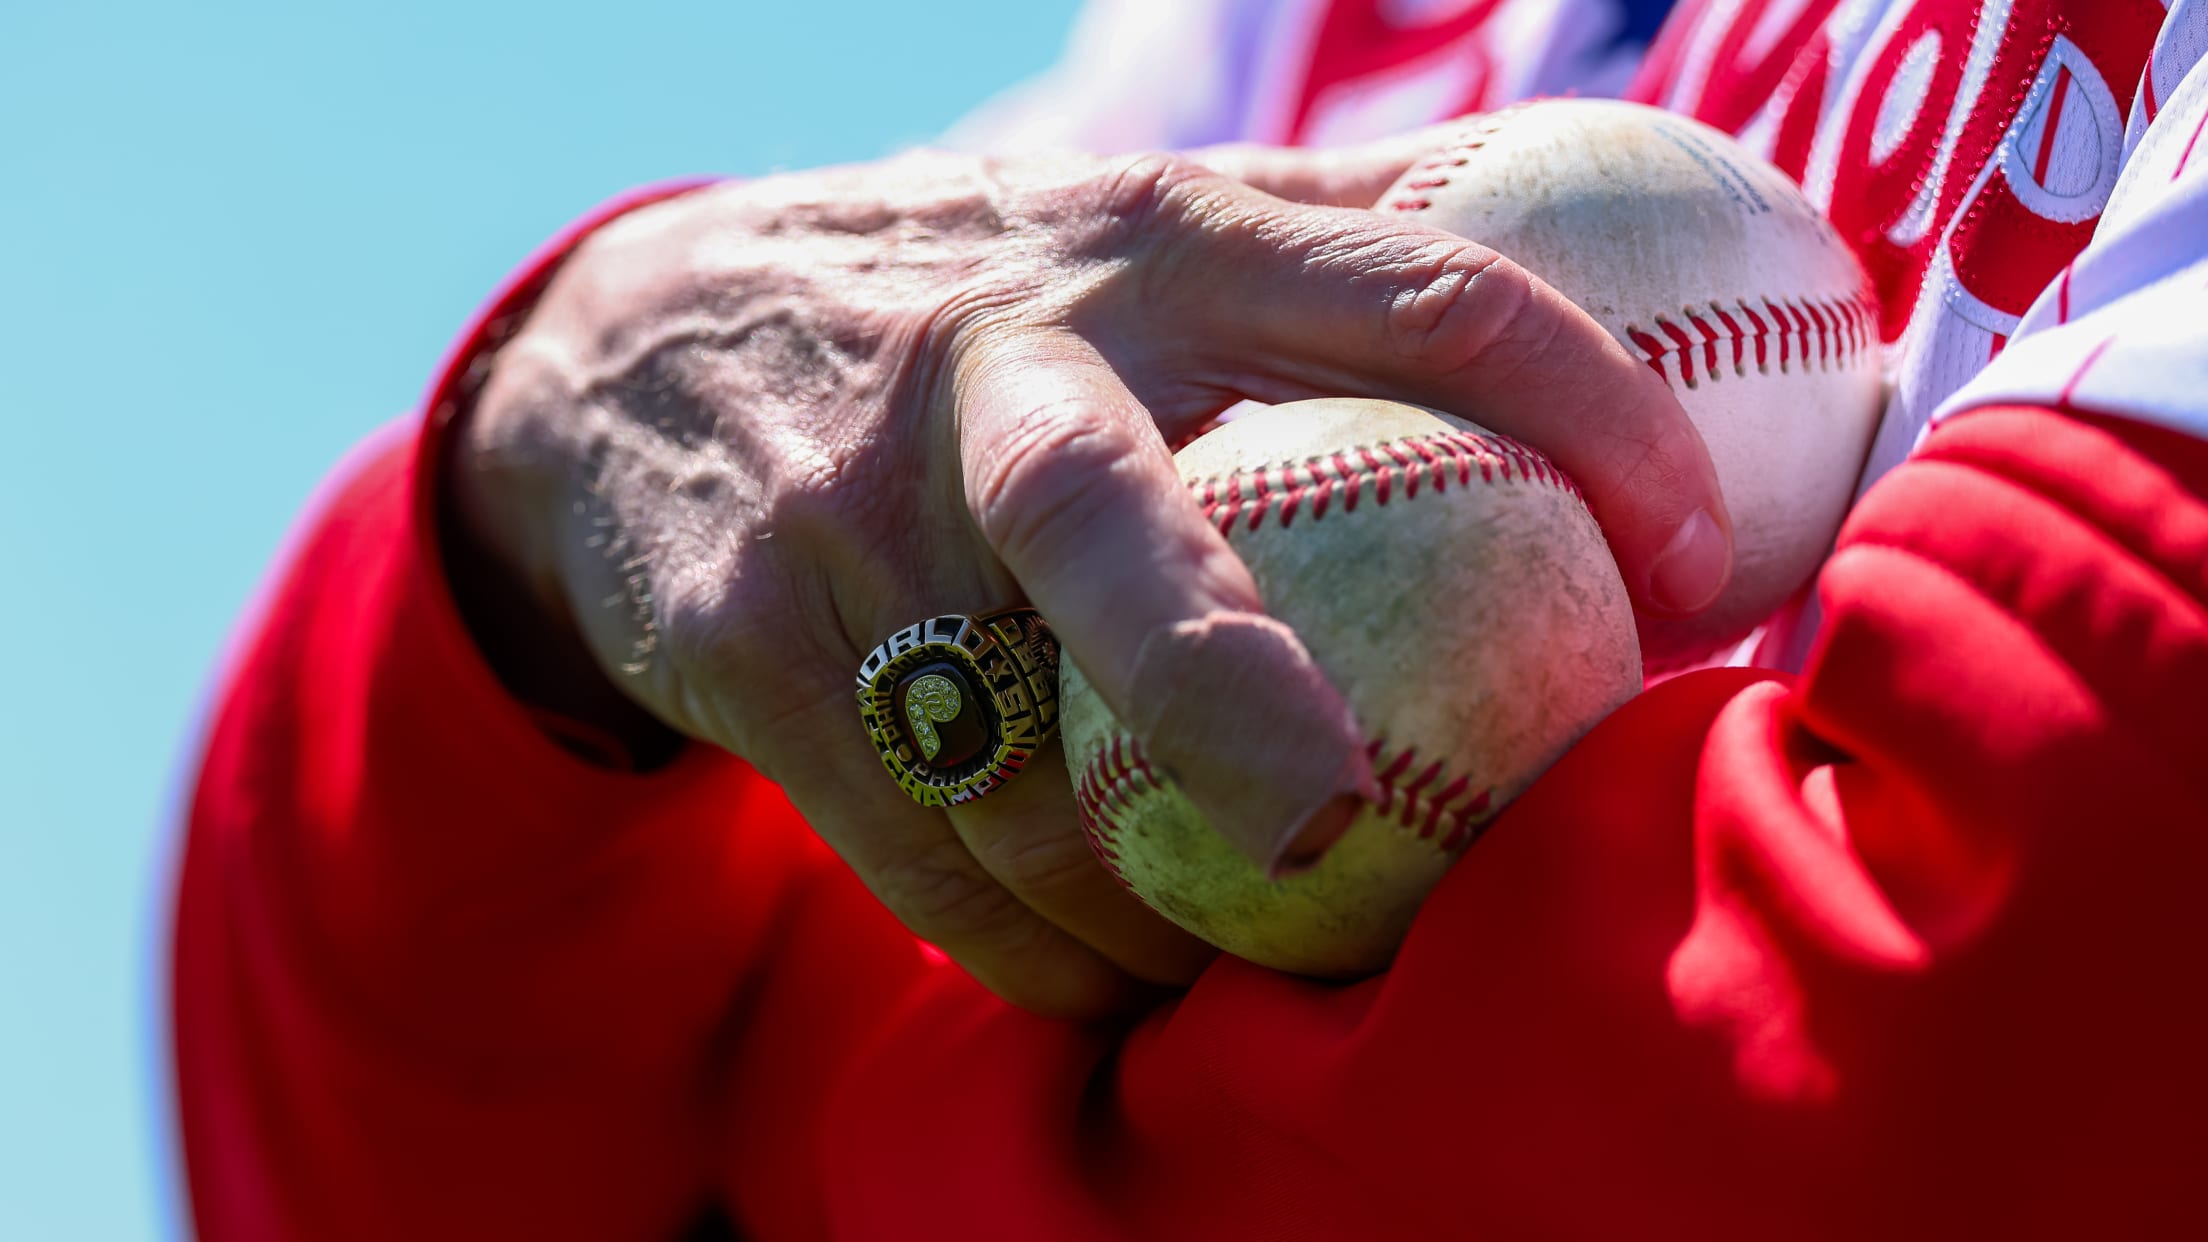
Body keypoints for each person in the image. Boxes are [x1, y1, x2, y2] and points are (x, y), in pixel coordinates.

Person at [172, 0, 2208, 1237]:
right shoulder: (1247, 60)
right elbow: (383, 1147)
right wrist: (546, 425)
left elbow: (1991, 1036)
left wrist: (837, 1127)